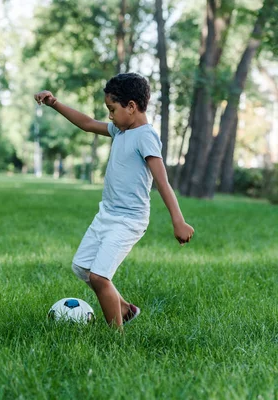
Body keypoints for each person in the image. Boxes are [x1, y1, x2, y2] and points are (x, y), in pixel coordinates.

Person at [34, 73, 194, 327]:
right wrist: (55, 103)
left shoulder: (145, 136)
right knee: (81, 268)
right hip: (106, 215)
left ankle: (115, 338)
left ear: (131, 106)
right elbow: (86, 123)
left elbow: (162, 182)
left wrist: (179, 221)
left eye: (112, 109)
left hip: (128, 219)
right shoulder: (121, 130)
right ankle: (125, 309)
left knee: (99, 277)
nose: (109, 115)